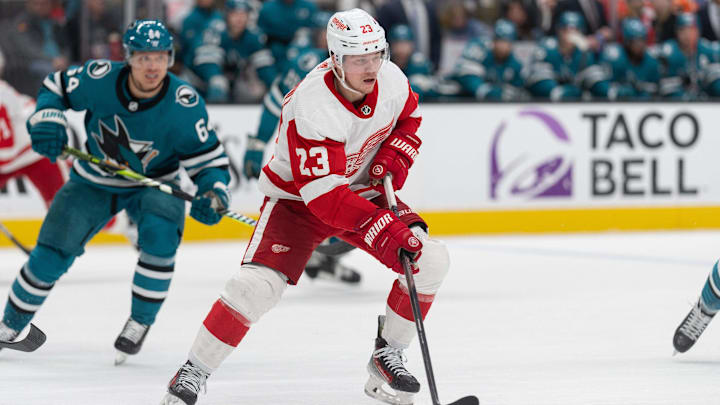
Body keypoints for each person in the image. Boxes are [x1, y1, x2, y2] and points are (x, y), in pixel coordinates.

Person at [161, 8, 450, 405]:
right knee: (254, 288)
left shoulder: (393, 78)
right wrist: (385, 227)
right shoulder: (313, 106)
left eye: (375, 55)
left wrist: (397, 155)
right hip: (299, 202)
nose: (370, 67)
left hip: (359, 189)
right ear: (335, 59)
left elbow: (409, 119)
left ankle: (388, 353)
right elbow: (326, 200)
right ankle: (193, 369)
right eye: (358, 59)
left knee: (430, 260)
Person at [0, 20, 232, 367]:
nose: (152, 67)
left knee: (160, 240)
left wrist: (213, 191)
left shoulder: (184, 104)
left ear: (170, 59)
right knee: (50, 251)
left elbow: (209, 161)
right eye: (143, 58)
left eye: (160, 58)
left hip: (155, 182)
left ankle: (140, 321)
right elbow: (55, 86)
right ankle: (8, 325)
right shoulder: (99, 78)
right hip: (93, 180)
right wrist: (48, 118)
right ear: (128, 58)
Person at [243, 10, 362, 284]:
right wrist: (257, 142)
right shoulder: (306, 63)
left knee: (351, 198)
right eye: (322, 32)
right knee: (320, 196)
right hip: (311, 142)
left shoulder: (359, 62)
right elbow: (276, 100)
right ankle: (307, 256)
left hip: (348, 143)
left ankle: (325, 258)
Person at [0, 47, 66, 208]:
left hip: (36, 152)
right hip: (13, 154)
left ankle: (111, 223)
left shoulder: (2, 98)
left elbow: (6, 153)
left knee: (63, 210)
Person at [526, 11, 614, 100]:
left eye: (575, 30)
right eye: (565, 29)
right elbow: (536, 81)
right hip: (544, 103)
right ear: (558, 30)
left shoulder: (584, 52)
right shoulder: (546, 48)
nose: (570, 34)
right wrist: (556, 91)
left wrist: (607, 91)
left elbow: (594, 79)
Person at [452, 19, 528, 101]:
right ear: (493, 40)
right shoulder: (479, 49)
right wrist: (487, 91)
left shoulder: (514, 64)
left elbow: (518, 87)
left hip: (490, 107)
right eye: (499, 40)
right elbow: (466, 76)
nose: (502, 46)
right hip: (463, 99)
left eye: (507, 41)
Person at [656, 12, 720, 99]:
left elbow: (717, 85)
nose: (687, 34)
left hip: (706, 104)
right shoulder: (668, 52)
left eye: (691, 30)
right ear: (676, 32)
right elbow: (669, 91)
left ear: (698, 31)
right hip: (677, 106)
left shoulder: (709, 50)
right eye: (683, 30)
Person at [599, 18, 660, 99]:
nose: (640, 45)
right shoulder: (614, 57)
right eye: (636, 41)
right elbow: (599, 86)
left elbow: (654, 91)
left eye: (642, 40)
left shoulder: (651, 61)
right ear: (627, 42)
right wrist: (617, 91)